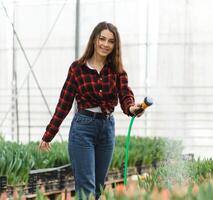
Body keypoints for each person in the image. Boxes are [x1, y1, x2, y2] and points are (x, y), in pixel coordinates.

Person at [39, 21, 143, 199]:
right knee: (86, 189)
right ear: (94, 40)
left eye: (111, 41)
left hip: (107, 129)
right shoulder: (77, 69)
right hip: (83, 130)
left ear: (115, 45)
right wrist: (49, 134)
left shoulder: (117, 70)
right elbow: (64, 103)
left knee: (97, 189)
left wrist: (132, 108)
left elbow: (125, 95)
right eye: (102, 39)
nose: (105, 44)